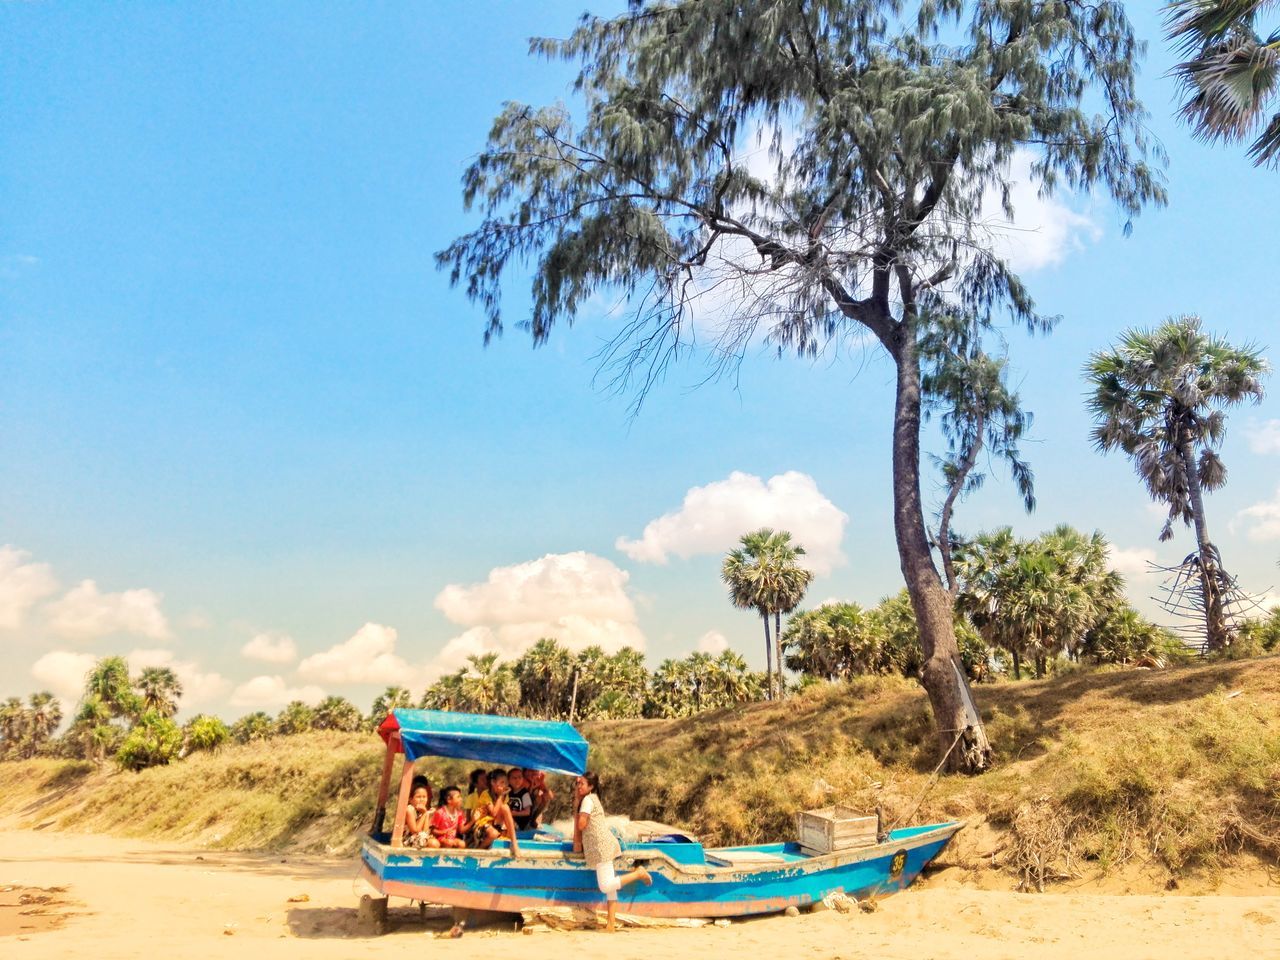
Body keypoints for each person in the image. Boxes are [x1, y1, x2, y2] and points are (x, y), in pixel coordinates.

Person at [573, 772, 650, 931]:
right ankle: (611, 924)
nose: (578, 786)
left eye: (581, 783)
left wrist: (576, 805)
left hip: (600, 846)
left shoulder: (587, 800)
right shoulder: (592, 798)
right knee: (611, 888)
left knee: (606, 886)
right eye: (578, 783)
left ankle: (639, 874)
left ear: (591, 786)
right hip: (603, 844)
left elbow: (581, 825)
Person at [471, 769, 520, 856]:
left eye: (505, 783)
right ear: (493, 782)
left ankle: (514, 843)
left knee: (505, 807)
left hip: (496, 823)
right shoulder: (486, 794)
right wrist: (501, 796)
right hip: (482, 824)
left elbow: (504, 812)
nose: (504, 785)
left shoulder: (504, 796)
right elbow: (494, 813)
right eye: (502, 782)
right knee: (493, 834)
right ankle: (479, 850)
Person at [402, 780, 433, 848]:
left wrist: (426, 814)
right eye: (418, 797)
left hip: (419, 839)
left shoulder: (422, 810)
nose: (422, 799)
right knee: (432, 843)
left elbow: (425, 831)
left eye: (424, 797)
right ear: (411, 800)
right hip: (407, 840)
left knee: (433, 843)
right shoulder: (409, 809)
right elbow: (415, 831)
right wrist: (424, 813)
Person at [507, 767, 535, 832]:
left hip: (520, 824)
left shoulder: (524, 794)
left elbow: (527, 812)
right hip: (509, 820)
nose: (517, 780)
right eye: (514, 778)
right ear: (508, 780)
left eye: (520, 777)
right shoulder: (508, 791)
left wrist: (512, 813)